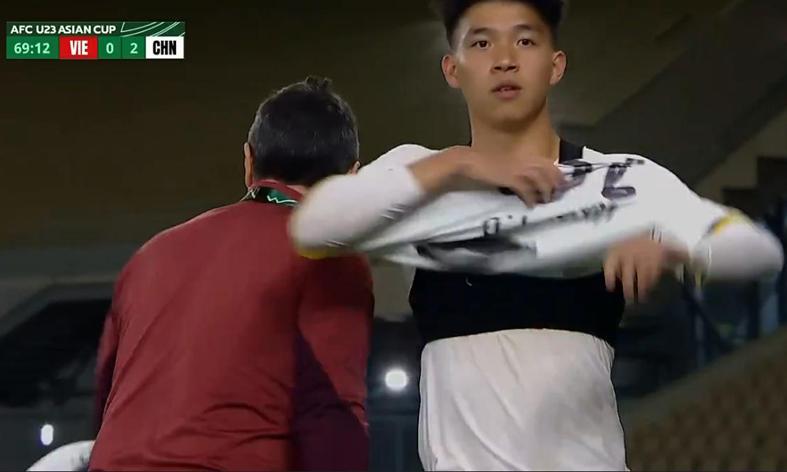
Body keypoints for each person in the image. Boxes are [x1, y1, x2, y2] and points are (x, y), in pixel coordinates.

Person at [289, 1, 784, 470]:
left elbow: (757, 251)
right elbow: (316, 224)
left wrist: (673, 248)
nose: (504, 59)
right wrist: (460, 164)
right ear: (453, 69)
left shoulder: (620, 179)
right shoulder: (422, 175)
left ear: (555, 64)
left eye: (525, 41)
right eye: (482, 43)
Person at [89, 77, 374, 471]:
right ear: (352, 178)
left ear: (248, 161)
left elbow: (106, 399)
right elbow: (332, 415)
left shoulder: (152, 254)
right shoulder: (327, 256)